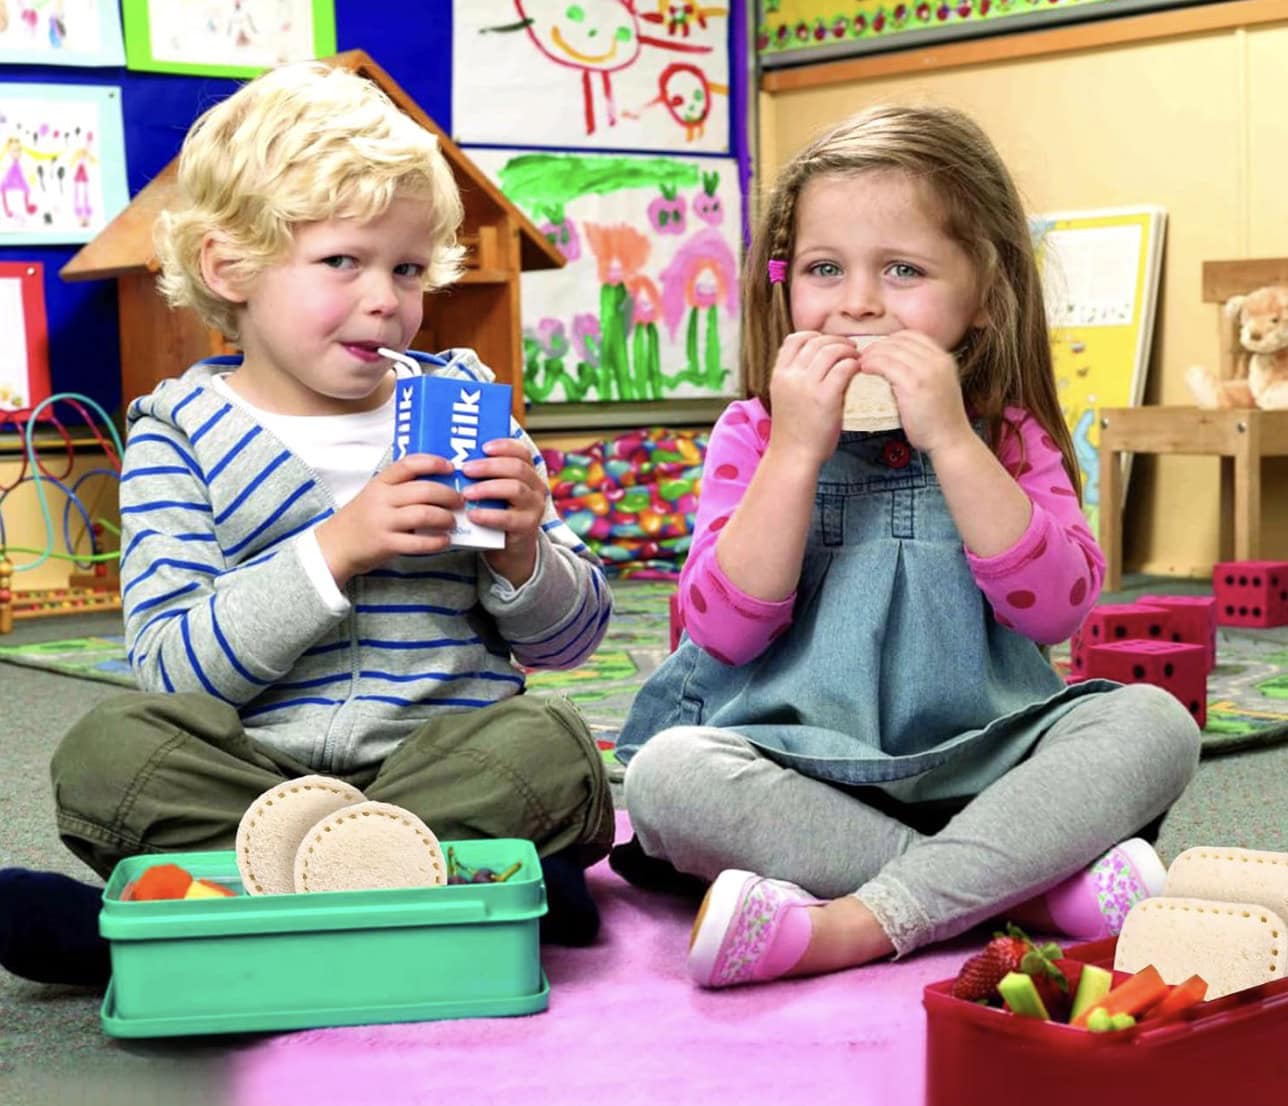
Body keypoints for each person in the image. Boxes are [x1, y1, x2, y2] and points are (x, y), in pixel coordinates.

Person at [0, 62, 614, 988]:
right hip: (259, 786)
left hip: (444, 769)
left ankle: (194, 927)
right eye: (344, 262)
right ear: (228, 266)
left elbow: (574, 641)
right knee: (106, 755)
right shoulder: (179, 435)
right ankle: (460, 898)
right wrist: (334, 550)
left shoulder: (464, 406)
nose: (387, 298)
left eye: (407, 269)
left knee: (555, 746)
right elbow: (170, 665)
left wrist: (527, 553)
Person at [612, 104, 1201, 989]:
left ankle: (857, 921)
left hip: (986, 764)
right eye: (823, 269)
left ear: (983, 294)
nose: (857, 302)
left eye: (902, 269)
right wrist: (795, 454)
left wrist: (956, 443)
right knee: (665, 776)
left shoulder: (1007, 437)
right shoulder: (752, 433)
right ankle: (1019, 893)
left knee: (1152, 722)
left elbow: (1059, 608)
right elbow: (723, 633)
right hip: (797, 771)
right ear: (784, 285)